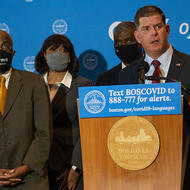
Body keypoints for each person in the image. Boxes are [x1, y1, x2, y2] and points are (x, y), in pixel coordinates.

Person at [134, 5, 190, 190]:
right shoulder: (128, 75)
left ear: (167, 30)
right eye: (146, 29)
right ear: (137, 37)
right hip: (140, 164)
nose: (153, 33)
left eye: (158, 27)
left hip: (184, 162)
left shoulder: (188, 65)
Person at [35, 34, 93, 190]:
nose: (59, 54)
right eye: (53, 50)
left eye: (64, 50)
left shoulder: (84, 86)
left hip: (71, 169)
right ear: (44, 54)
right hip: (38, 169)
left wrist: (76, 168)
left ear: (70, 55)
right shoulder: (33, 85)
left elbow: (87, 131)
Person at [0, 30, 51, 189]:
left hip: (30, 180)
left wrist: (25, 167)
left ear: (13, 52)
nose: (0, 50)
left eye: (5, 46)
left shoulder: (34, 83)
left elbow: (44, 133)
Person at [96, 21, 143, 86]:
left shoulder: (154, 72)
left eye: (129, 41)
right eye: (118, 42)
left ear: (140, 41)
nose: (123, 45)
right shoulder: (105, 80)